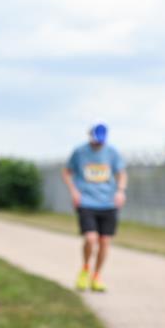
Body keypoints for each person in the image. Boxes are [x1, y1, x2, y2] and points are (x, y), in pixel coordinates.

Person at [62, 124, 127, 292]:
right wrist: (74, 191)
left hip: (108, 203)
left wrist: (120, 191)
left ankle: (97, 275)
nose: (98, 145)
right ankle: (85, 269)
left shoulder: (112, 152)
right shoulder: (80, 152)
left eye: (101, 142)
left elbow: (121, 173)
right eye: (95, 141)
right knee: (91, 238)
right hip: (86, 201)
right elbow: (67, 172)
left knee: (105, 241)